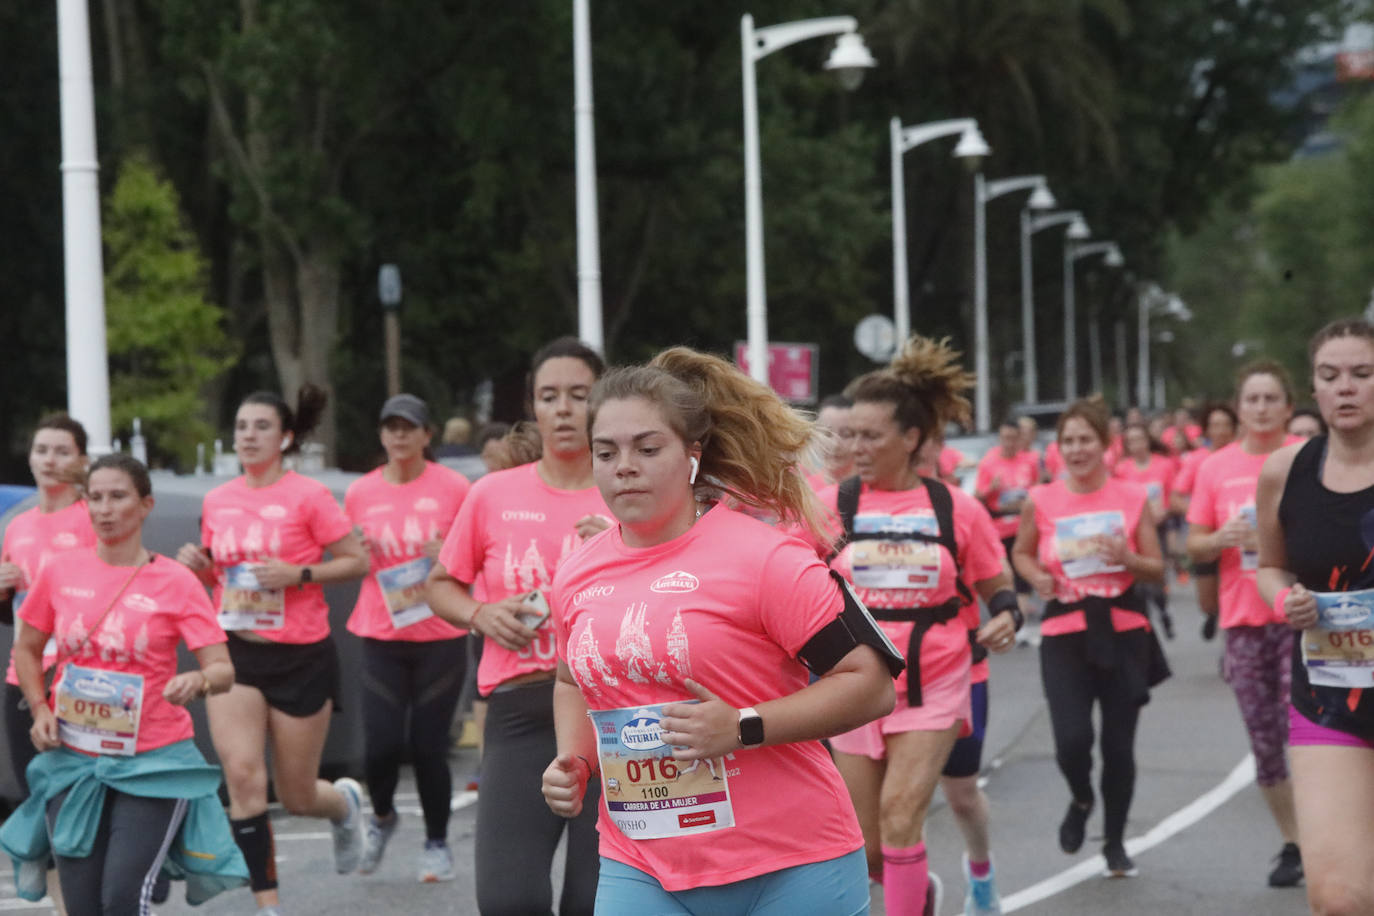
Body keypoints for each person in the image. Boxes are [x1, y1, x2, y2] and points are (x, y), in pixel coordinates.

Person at [541, 346, 901, 916]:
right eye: (605, 452)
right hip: (642, 865)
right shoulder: (575, 572)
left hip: (790, 865)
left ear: (692, 454)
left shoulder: (765, 559)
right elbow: (570, 679)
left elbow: (872, 683)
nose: (624, 466)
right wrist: (575, 760)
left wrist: (743, 726)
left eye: (647, 448)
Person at [0, 455, 247, 913]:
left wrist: (196, 679)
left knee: (121, 897)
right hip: (74, 760)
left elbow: (223, 669)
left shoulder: (175, 581)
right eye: (95, 498)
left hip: (152, 761)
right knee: (81, 903)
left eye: (118, 497)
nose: (105, 509)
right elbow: (27, 647)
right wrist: (39, 707)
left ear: (145, 504)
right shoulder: (61, 572)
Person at [824, 337, 1020, 916]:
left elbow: (997, 585)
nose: (854, 446)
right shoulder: (829, 504)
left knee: (902, 816)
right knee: (867, 847)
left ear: (910, 439)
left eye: (870, 435)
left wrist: (1007, 614)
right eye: (850, 434)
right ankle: (920, 894)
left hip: (933, 680)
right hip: (854, 684)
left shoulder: (955, 508)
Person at [427, 337, 609, 915]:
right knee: (508, 901)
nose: (562, 409)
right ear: (532, 406)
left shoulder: (631, 492)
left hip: (615, 713)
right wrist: (480, 614)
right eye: (548, 396)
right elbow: (440, 585)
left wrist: (618, 547)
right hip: (520, 710)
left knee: (596, 902)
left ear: (602, 402)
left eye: (578, 395)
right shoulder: (492, 494)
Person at [175, 385, 369, 916]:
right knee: (242, 777)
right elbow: (221, 574)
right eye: (241, 427)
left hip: (301, 655)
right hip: (234, 653)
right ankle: (269, 905)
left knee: (298, 794)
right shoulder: (217, 500)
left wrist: (297, 574)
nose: (249, 436)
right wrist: (200, 566)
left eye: (261, 427)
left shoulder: (308, 496)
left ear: (283, 438)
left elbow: (356, 560)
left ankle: (344, 805)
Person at [1012, 398, 1168, 878]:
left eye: (1086, 440)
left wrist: (1128, 557)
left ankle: (1115, 842)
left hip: (1123, 630)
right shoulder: (1040, 499)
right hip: (1065, 629)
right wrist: (1036, 576)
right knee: (1072, 740)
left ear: (1106, 446)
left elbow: (1159, 569)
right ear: (1058, 449)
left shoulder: (1132, 496)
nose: (1076, 449)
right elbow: (1020, 553)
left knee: (1119, 748)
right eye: (1068, 441)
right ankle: (1081, 798)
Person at [1256, 319, 1374, 914]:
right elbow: (1269, 567)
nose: (1345, 387)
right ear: (1314, 387)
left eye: (1362, 374)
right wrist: (1285, 600)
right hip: (1331, 693)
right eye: (1331, 376)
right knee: (1337, 898)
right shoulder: (1285, 471)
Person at [343, 394, 471, 881]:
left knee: (428, 747)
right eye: (390, 426)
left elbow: (476, 555)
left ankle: (437, 842)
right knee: (378, 748)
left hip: (439, 633)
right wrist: (356, 551)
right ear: (381, 435)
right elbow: (349, 556)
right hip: (380, 629)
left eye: (408, 427)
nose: (399, 435)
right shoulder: (360, 492)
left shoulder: (454, 487)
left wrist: (450, 554)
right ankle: (382, 818)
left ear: (426, 435)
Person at [1186, 361, 1303, 887]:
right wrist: (1223, 538)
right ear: (1238, 407)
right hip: (1243, 619)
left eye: (1270, 398)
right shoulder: (1215, 468)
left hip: (1302, 617)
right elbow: (1193, 543)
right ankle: (1294, 841)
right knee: (1265, 739)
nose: (1260, 407)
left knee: (1309, 732)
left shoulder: (1306, 460)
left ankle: (1332, 834)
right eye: (1251, 399)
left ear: (1288, 406)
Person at [0, 415, 94, 916]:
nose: (49, 460)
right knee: (43, 795)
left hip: (84, 676)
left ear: (81, 460)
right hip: (25, 675)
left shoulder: (91, 518)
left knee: (84, 798)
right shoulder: (17, 525)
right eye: (42, 450)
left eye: (61, 451)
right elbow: (8, 612)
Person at [1170, 404, 1239, 638]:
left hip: (1241, 539)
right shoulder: (1197, 460)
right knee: (1207, 602)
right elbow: (1176, 496)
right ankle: (1213, 614)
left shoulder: (1244, 455)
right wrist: (1202, 513)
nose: (1220, 430)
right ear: (1206, 430)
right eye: (1215, 425)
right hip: (1207, 537)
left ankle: (1232, 632)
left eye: (1226, 425)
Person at [1114, 422, 1179, 639]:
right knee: (1139, 581)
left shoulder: (1164, 465)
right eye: (1131, 441)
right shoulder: (1122, 469)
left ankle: (1163, 610)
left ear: (1148, 441)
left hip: (1159, 526)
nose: (1136, 445)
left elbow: (1173, 496)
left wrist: (1165, 512)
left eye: (1140, 440)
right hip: (1134, 530)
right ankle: (1145, 624)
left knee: (1156, 580)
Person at [805, 394, 856, 489]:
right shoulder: (804, 491)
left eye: (846, 435)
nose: (835, 444)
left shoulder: (872, 489)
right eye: (827, 434)